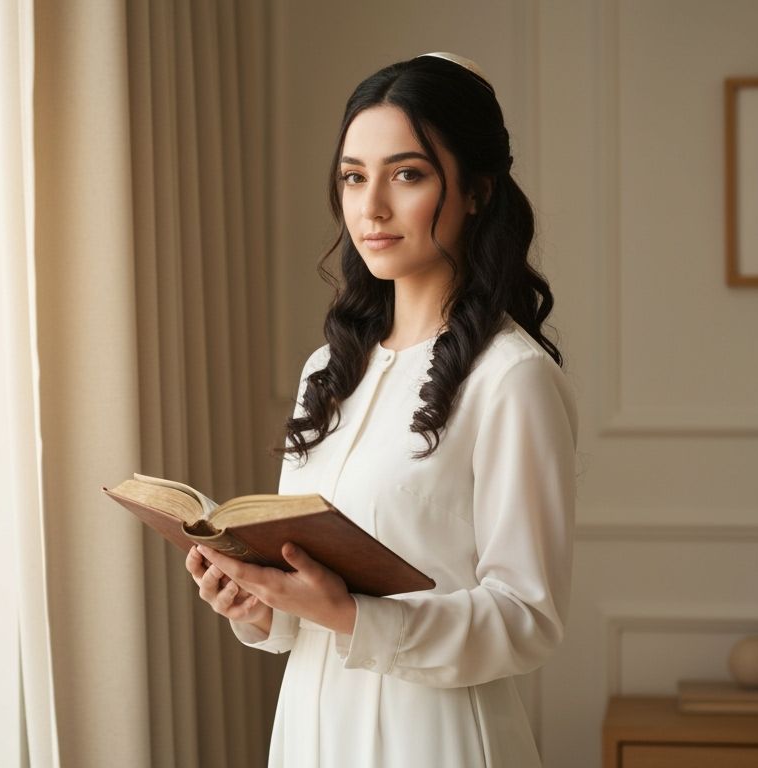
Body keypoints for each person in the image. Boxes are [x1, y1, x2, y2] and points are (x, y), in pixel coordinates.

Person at [184, 52, 579, 766]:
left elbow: (528, 619)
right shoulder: (328, 370)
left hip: (436, 738)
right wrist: (256, 602)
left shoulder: (512, 378)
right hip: (310, 729)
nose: (371, 207)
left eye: (407, 174)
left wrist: (351, 615)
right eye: (353, 177)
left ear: (476, 193)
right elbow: (301, 600)